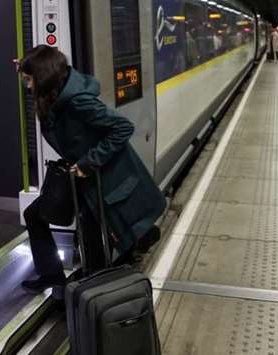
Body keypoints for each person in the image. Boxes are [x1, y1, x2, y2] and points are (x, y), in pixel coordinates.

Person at [17, 45, 166, 293]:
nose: (28, 86)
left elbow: (122, 127)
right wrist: (25, 66)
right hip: (82, 179)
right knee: (37, 215)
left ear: (44, 77)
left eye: (30, 80)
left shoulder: (78, 102)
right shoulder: (56, 94)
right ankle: (55, 276)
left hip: (98, 178)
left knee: (93, 241)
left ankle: (92, 300)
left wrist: (89, 161)